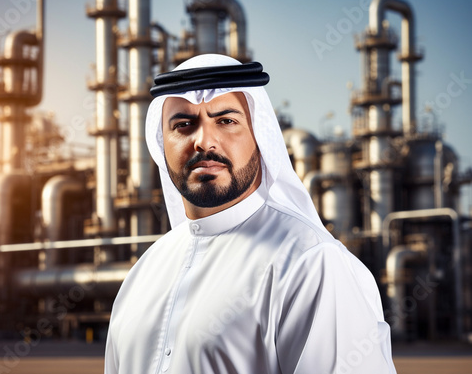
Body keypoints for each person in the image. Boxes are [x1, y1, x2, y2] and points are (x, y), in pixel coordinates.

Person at [104, 54, 397, 374]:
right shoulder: (143, 274)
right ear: (161, 144)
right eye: (183, 124)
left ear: (260, 137)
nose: (203, 141)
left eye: (226, 120)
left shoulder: (309, 263)